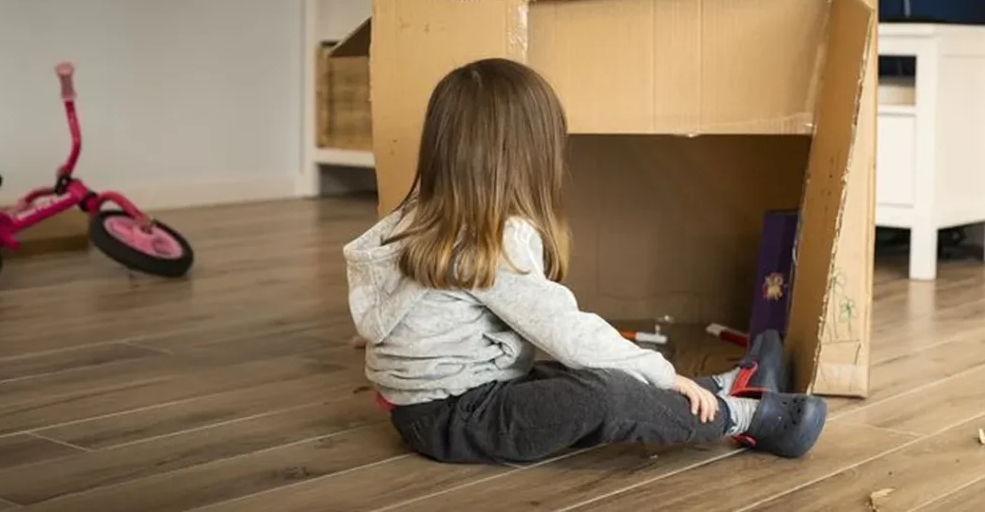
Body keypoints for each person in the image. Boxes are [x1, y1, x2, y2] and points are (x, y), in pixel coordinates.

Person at [344, 58, 827, 465]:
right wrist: (663, 372)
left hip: (439, 404)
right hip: (455, 419)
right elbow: (567, 331)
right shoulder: (493, 238)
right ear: (527, 155)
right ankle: (740, 417)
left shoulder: (416, 218)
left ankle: (725, 386)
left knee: (587, 373)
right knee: (603, 395)